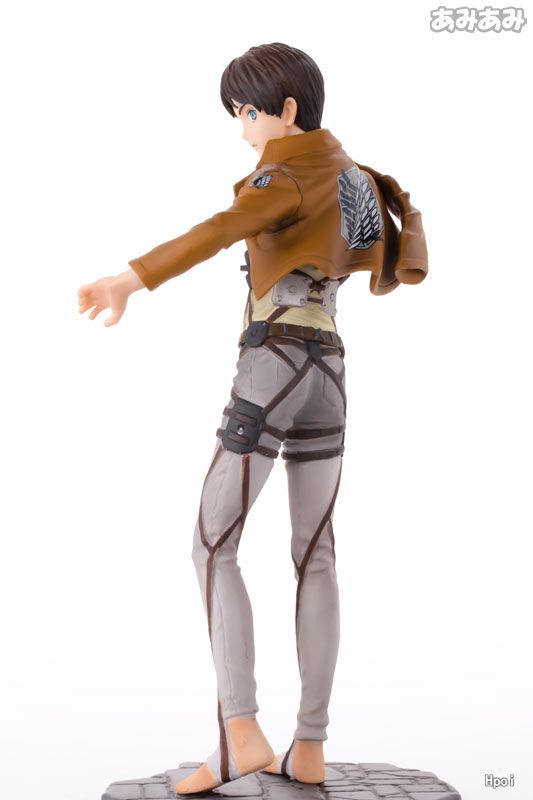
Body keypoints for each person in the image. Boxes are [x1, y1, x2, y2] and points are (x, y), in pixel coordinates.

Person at [77, 42, 428, 795]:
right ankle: (310, 746)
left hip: (272, 365)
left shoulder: (287, 174)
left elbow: (219, 228)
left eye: (245, 113)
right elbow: (373, 253)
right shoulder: (357, 177)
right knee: (316, 554)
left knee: (212, 545)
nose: (241, 131)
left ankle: (239, 734)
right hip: (330, 371)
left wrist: (128, 280)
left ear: (286, 110)